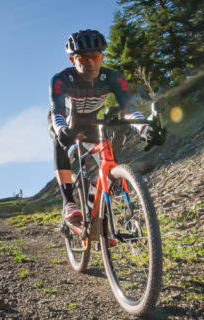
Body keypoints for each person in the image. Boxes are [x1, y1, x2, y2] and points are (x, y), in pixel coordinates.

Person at [48, 29, 165, 225]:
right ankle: (69, 203)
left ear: (102, 56)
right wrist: (61, 130)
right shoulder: (61, 79)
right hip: (65, 119)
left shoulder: (113, 78)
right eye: (83, 58)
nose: (90, 63)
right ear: (72, 60)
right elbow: (57, 110)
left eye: (95, 56)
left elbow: (128, 108)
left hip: (91, 120)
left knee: (109, 165)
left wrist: (145, 128)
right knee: (59, 143)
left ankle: (94, 202)